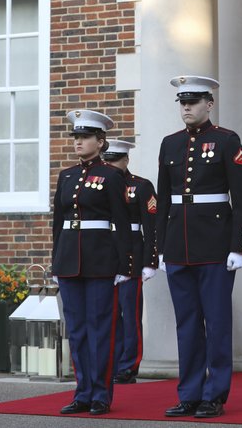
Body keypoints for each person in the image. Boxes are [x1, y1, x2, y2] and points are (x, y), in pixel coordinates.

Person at [156, 76, 242, 420]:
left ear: (209, 104)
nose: (186, 107)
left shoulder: (226, 141)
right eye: (182, 102)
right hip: (178, 246)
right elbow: (164, 200)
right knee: (187, 324)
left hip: (214, 245)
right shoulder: (169, 144)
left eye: (193, 102)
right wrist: (161, 249)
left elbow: (241, 198)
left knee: (217, 323)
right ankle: (190, 394)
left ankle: (215, 394)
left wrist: (240, 246)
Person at [52, 109, 135, 416]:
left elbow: (122, 223)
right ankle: (82, 391)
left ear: (101, 142)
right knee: (76, 330)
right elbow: (57, 224)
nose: (78, 142)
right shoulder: (67, 176)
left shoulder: (112, 176)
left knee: (100, 329)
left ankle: (101, 393)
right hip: (69, 260)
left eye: (84, 137)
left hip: (100, 261)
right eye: (76, 137)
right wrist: (55, 262)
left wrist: (125, 265)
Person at [101, 138, 158, 386]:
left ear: (126, 160)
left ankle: (128, 366)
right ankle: (110, 364)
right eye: (107, 161)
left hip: (133, 255)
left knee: (130, 313)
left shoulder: (141, 186)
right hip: (104, 253)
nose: (111, 165)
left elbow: (151, 226)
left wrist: (150, 261)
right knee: (108, 314)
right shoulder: (99, 184)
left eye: (115, 160)